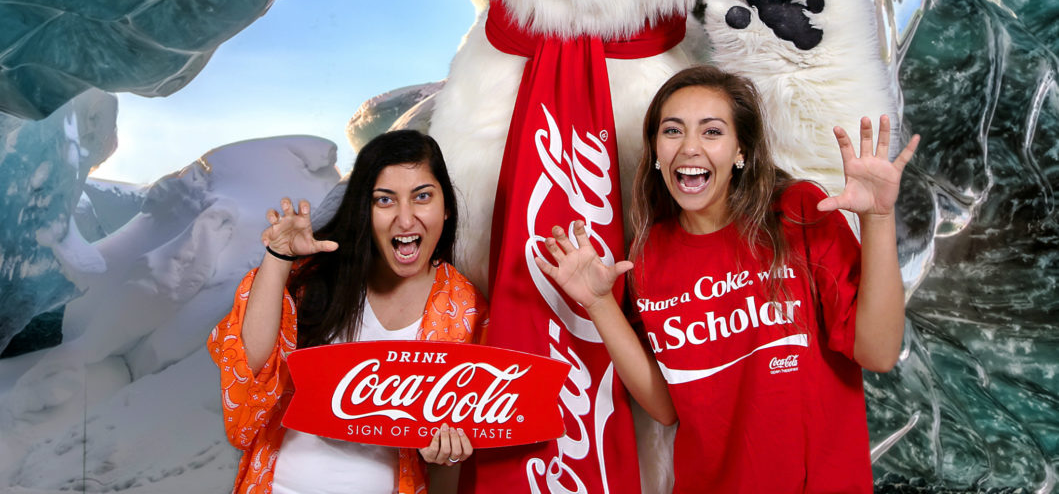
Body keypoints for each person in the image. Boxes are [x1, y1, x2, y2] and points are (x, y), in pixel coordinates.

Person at [534, 65, 919, 493]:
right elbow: (666, 407)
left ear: (741, 151)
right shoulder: (648, 255)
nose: (690, 148)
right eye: (673, 131)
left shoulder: (799, 212)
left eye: (712, 132)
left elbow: (879, 352)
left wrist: (879, 219)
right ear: (657, 151)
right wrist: (599, 303)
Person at [208, 129, 488, 494]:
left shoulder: (467, 311)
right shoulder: (320, 275)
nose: (405, 219)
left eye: (422, 197)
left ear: (446, 207)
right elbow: (250, 367)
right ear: (364, 210)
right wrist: (278, 258)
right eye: (385, 200)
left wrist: (448, 454)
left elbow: (456, 463)